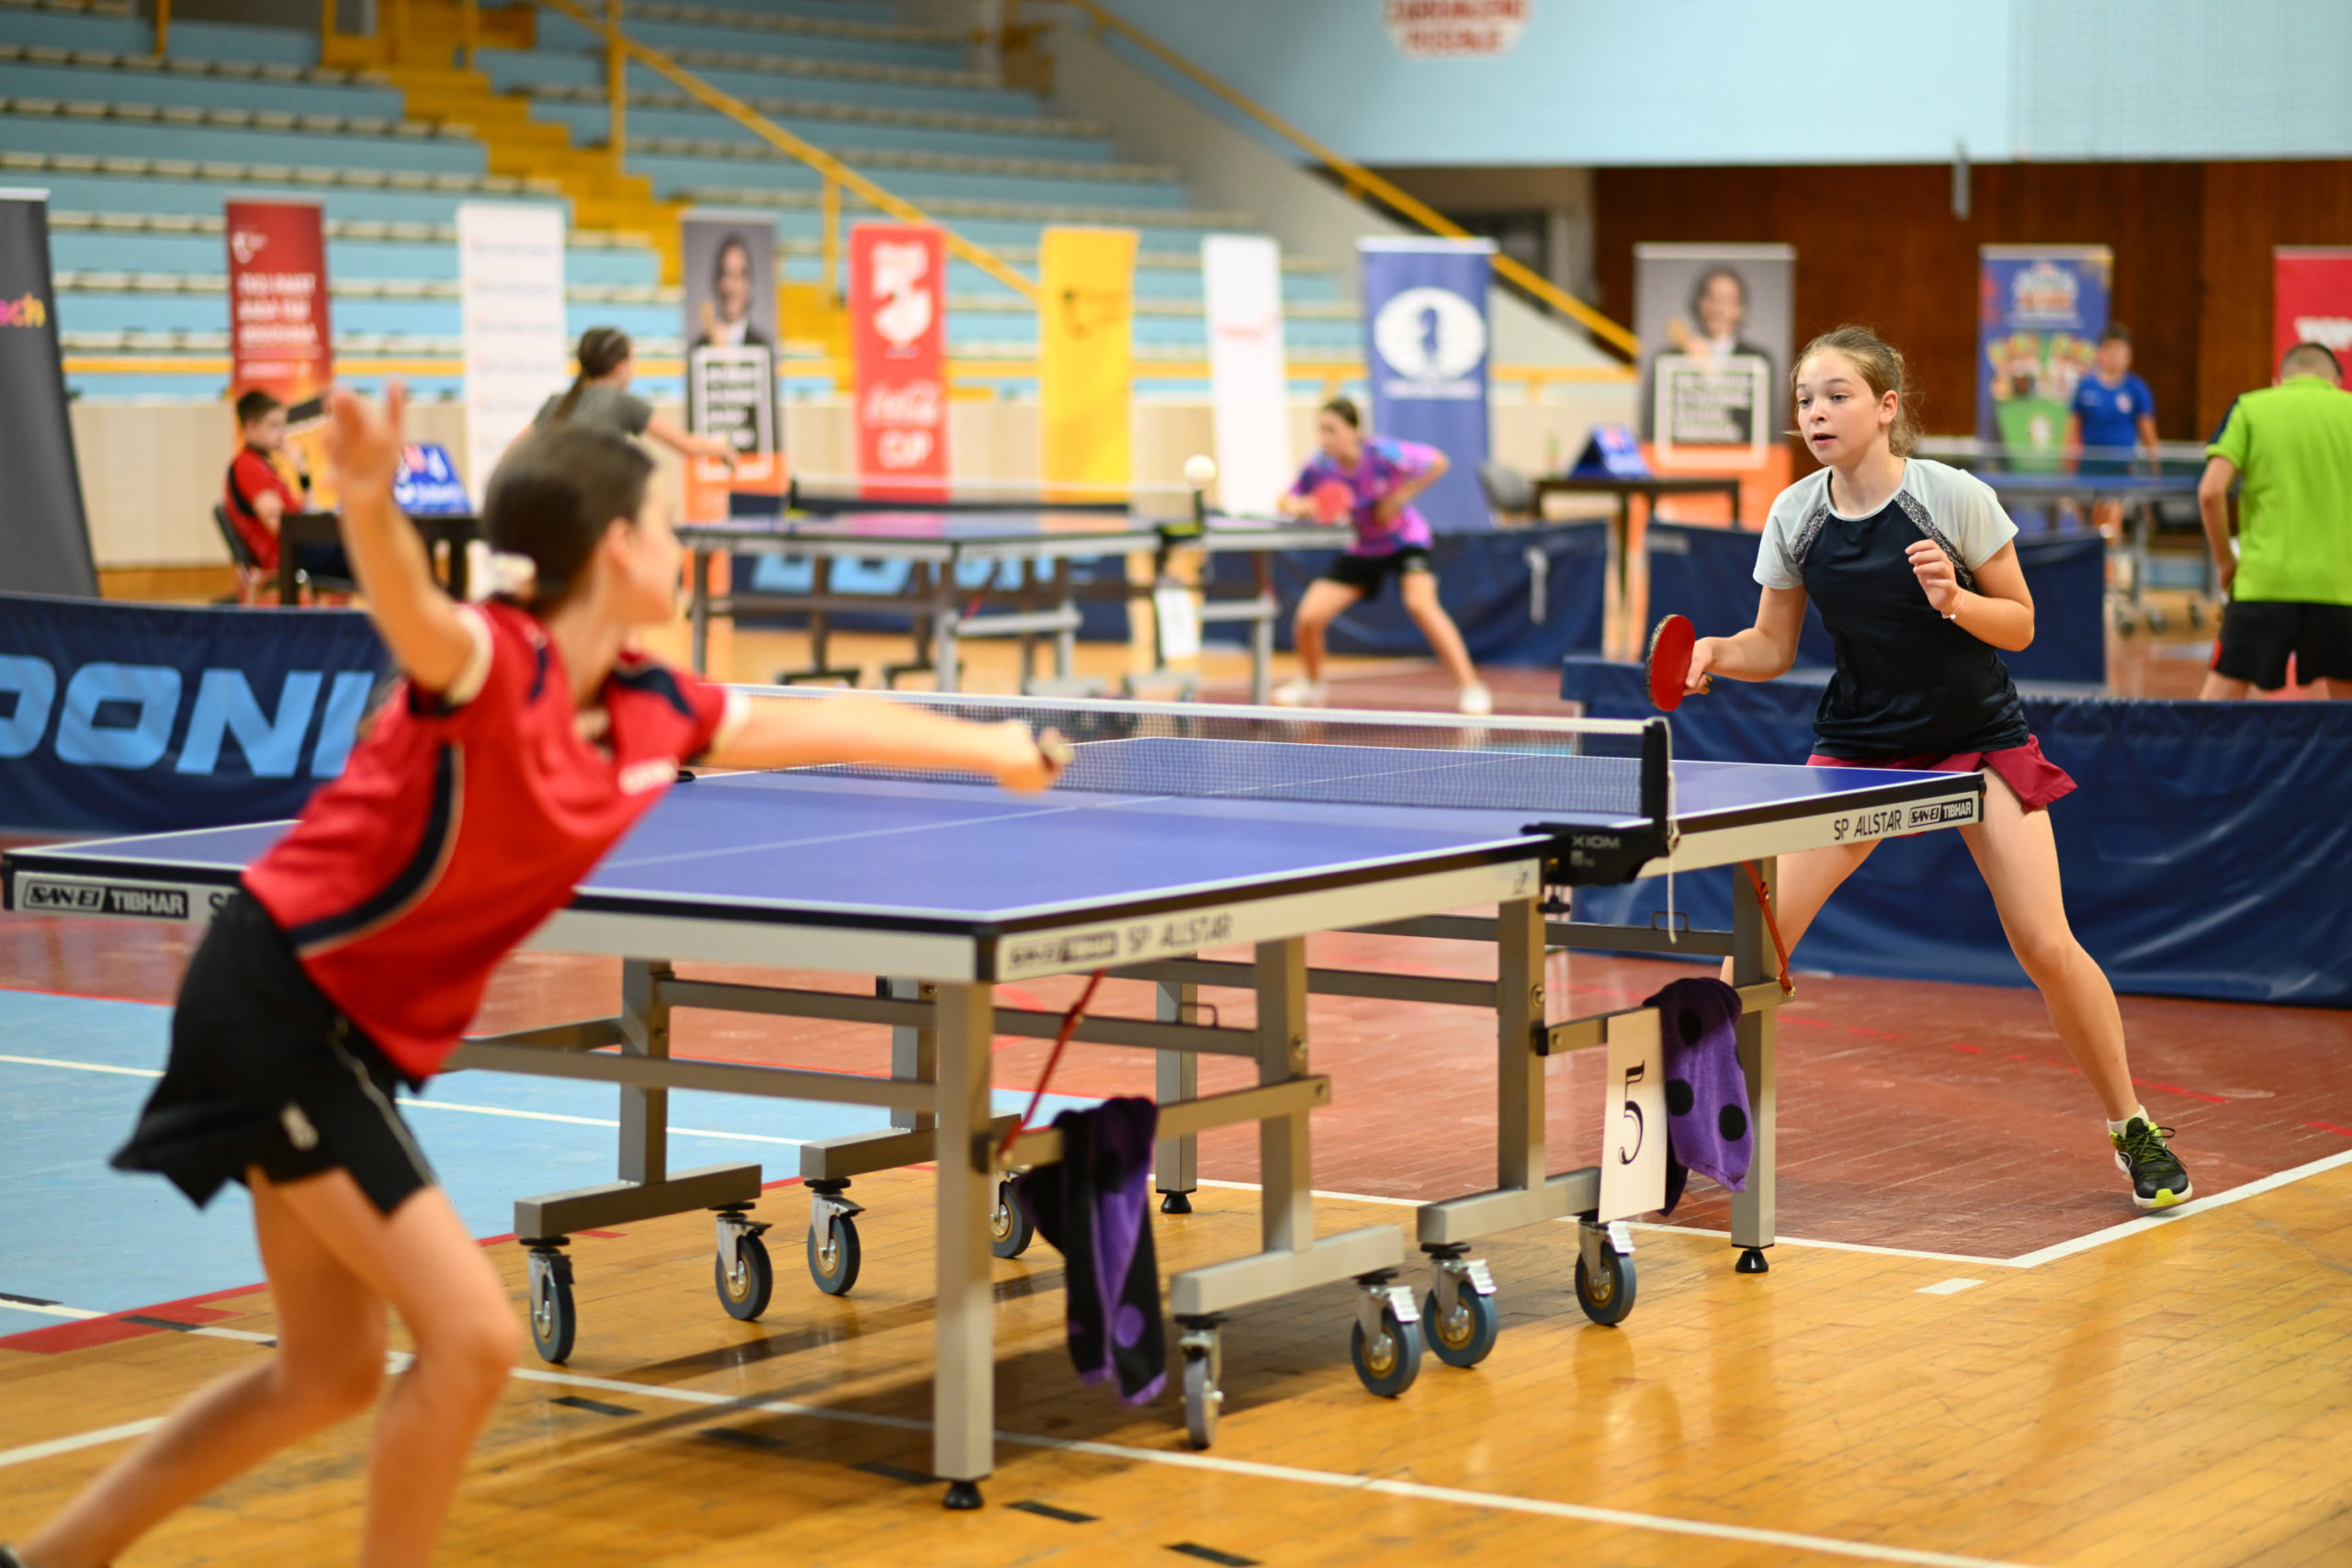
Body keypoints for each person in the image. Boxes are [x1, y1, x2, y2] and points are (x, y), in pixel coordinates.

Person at [1, 385, 1063, 1568]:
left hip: (337, 1028)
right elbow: (411, 611)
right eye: (663, 525)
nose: (677, 545)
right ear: (617, 547)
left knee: (332, 1371)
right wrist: (363, 492)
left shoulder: (656, 708)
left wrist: (990, 748)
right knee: (470, 1342)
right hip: (284, 1006)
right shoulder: (490, 664)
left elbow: (829, 726)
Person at [1686, 325, 2192, 1213]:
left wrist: (1957, 599)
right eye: (1806, 397)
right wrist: (1716, 653)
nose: (1817, 411)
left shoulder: (1950, 497)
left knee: (2043, 940)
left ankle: (2132, 1125)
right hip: (1861, 744)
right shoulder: (1796, 514)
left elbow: (2024, 624)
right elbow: (1772, 644)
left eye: (1838, 394)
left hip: (1977, 735)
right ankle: (1691, 1123)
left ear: (1887, 408)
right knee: (1758, 939)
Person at [1271, 397, 1490, 716]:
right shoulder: (1320, 466)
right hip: (1364, 547)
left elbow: (1439, 462)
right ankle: (1311, 683)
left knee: (1421, 605)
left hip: (1405, 541)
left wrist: (1397, 498)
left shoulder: (1383, 453)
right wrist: (1306, 507)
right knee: (1309, 617)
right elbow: (1285, 501)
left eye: (1331, 430)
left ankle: (1471, 686)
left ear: (1354, 431)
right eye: (1320, 430)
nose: (1324, 438)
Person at [2197, 340, 2352, 700]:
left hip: (2262, 584)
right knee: (2347, 725)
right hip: (2341, 589)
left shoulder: (2251, 408)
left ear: (2278, 381)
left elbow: (2210, 492)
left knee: (2215, 714)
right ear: (2337, 383)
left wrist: (2225, 563)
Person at [535, 326, 738, 467]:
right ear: (619, 367)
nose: (634, 369)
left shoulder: (556, 402)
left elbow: (511, 455)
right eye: (633, 360)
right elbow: (688, 445)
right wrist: (723, 448)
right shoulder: (622, 402)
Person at [222, 388, 350, 591]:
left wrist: (303, 473)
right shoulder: (248, 466)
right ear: (251, 428)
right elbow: (282, 527)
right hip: (290, 557)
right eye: (273, 426)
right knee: (366, 554)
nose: (282, 433)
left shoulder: (266, 467)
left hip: (300, 550)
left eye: (283, 425)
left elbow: (305, 514)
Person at [1643, 265, 1776, 446]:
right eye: (1710, 298)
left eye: (1727, 300)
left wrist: (1709, 371)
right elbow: (1655, 428)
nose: (1717, 309)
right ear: (1698, 303)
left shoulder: (1759, 362)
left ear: (1740, 309)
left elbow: (1763, 431)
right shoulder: (1668, 360)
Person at [2064, 324, 2159, 538]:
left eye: (2122, 353)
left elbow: (2148, 434)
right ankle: (2090, 568)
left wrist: (2155, 471)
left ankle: (2109, 569)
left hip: (2120, 471)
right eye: (2111, 351)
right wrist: (2067, 469)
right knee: (2085, 529)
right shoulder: (2085, 387)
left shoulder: (2137, 389)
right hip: (2088, 469)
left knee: (2109, 520)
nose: (2116, 358)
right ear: (2101, 354)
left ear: (2129, 357)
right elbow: (2072, 431)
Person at [693, 233, 770, 352]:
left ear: (750, 285)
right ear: (717, 282)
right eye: (726, 274)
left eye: (739, 275)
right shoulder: (699, 348)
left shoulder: (763, 348)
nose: (732, 287)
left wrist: (728, 348)